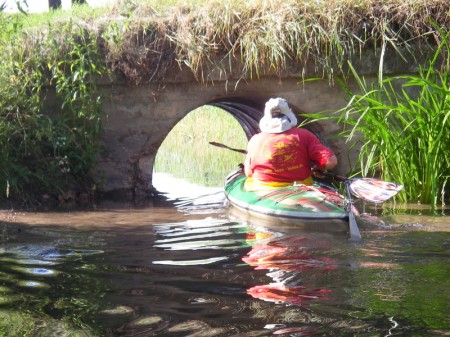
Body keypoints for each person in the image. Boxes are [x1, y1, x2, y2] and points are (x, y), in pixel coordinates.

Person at [244, 97, 337, 190]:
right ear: (289, 115)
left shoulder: (255, 140)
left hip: (264, 189)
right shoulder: (304, 135)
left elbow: (248, 172)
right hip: (300, 187)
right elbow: (331, 162)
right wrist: (318, 168)